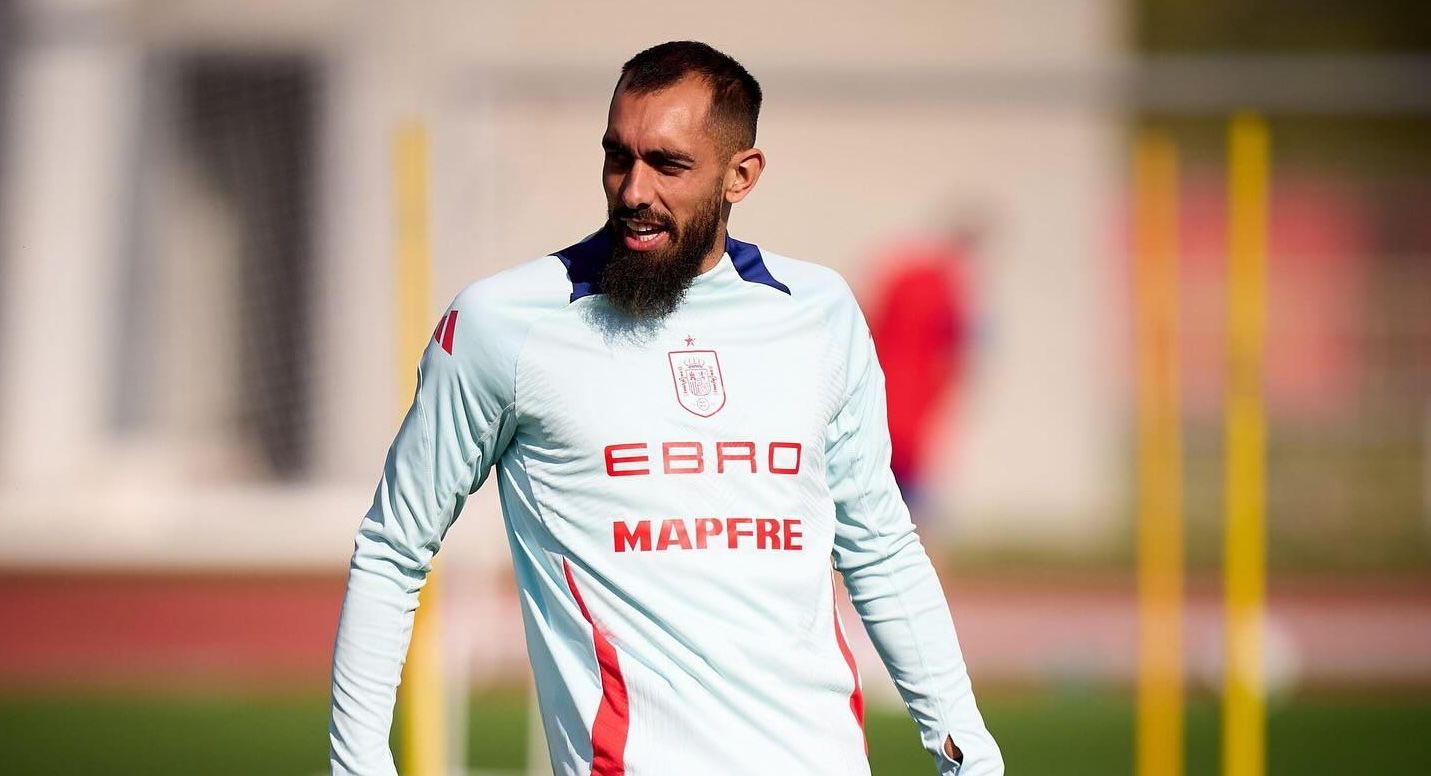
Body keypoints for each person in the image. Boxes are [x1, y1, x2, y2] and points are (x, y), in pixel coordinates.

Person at [330, 41, 1002, 776]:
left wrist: (965, 746)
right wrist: (359, 762)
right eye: (618, 156)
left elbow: (879, 547)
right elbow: (394, 547)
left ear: (740, 175)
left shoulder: (819, 312)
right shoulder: (505, 323)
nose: (632, 190)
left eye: (668, 165)